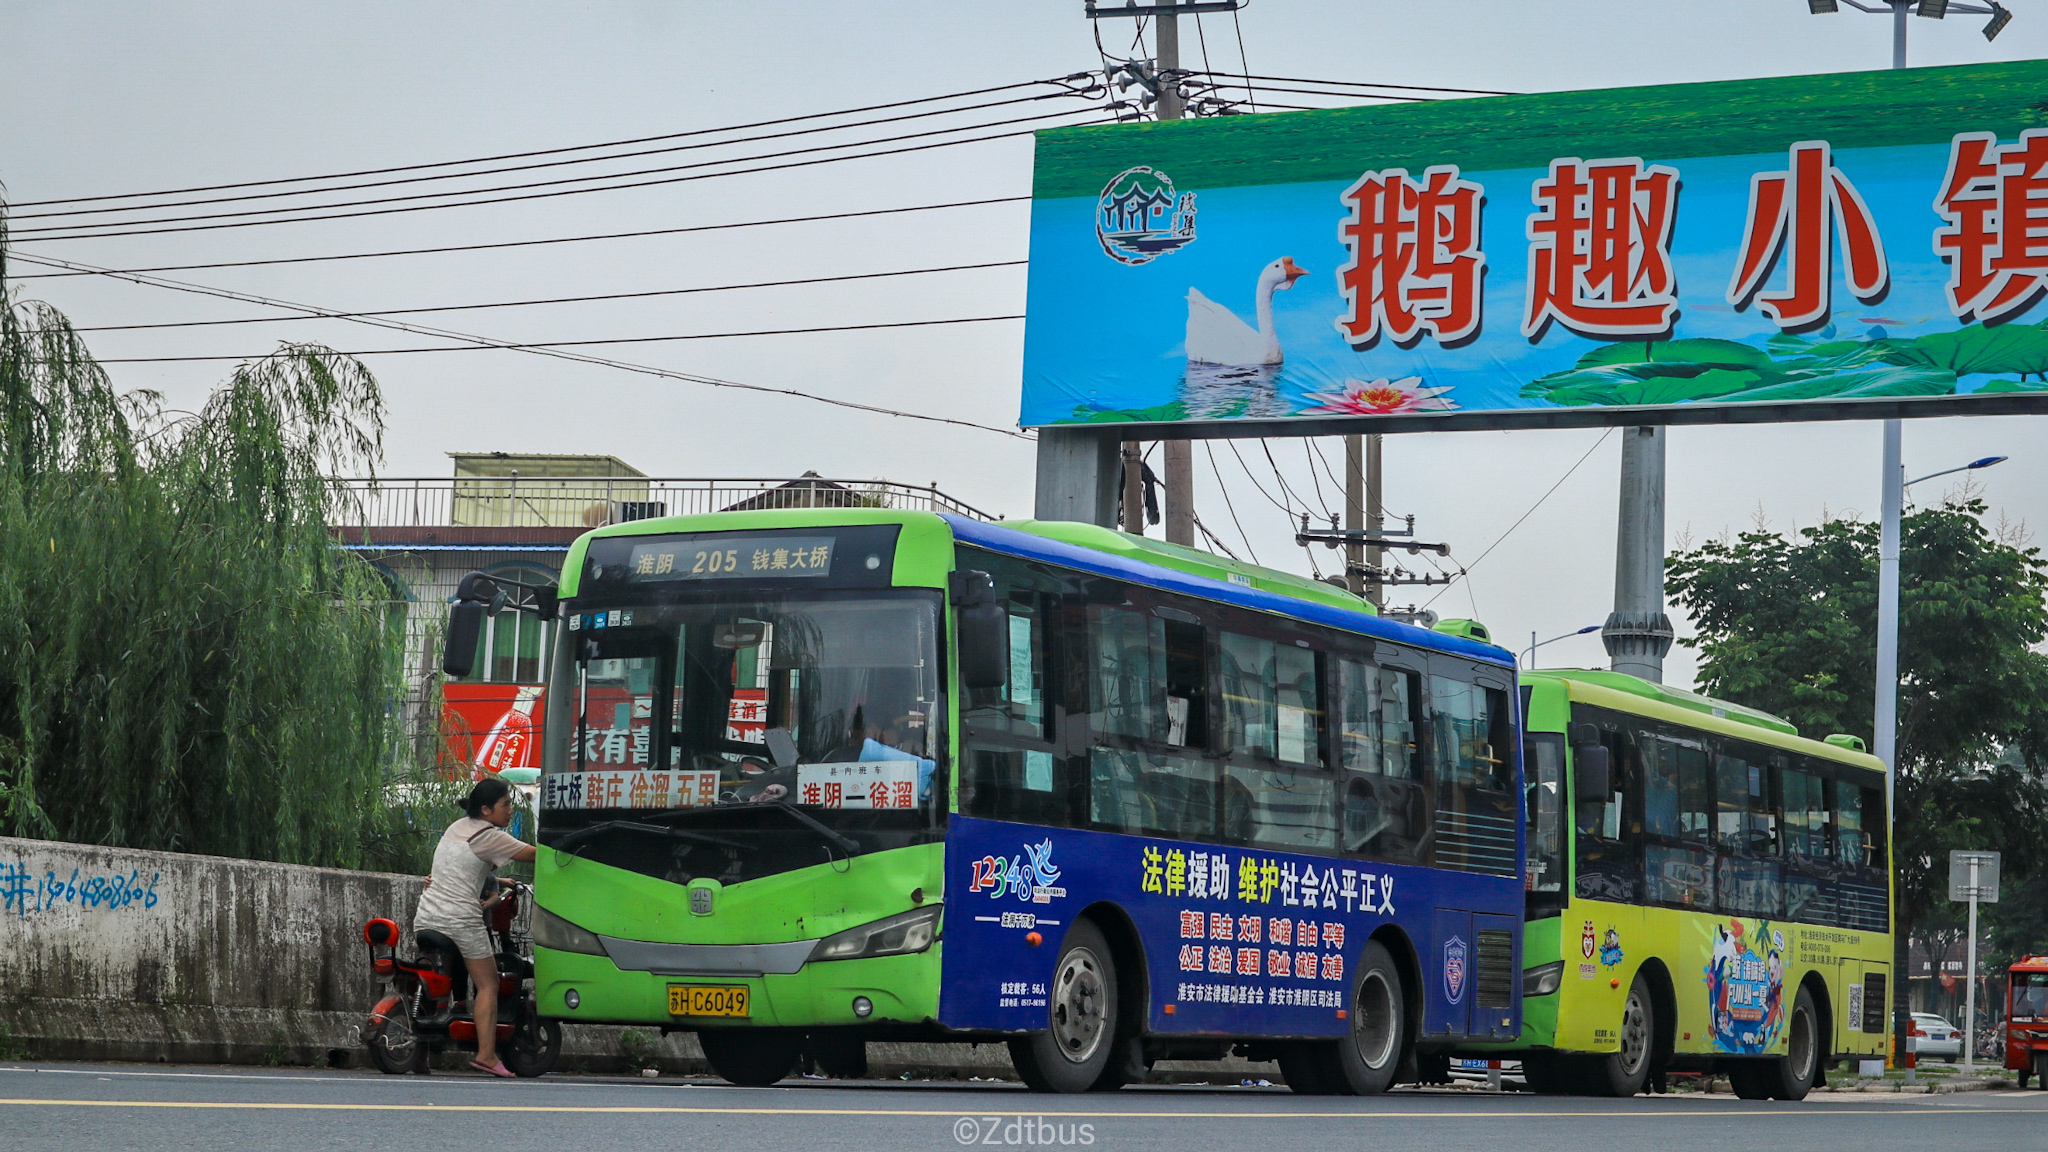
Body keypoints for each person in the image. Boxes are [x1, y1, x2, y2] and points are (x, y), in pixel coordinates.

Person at [413, 777, 538, 1077]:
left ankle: (420, 1057)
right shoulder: (489, 836)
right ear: (485, 810)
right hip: (461, 920)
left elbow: (472, 866)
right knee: (488, 984)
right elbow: (535, 855)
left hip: (426, 915)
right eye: (505, 805)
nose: (510, 811)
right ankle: (485, 1054)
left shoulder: (457, 827)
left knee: (434, 982)